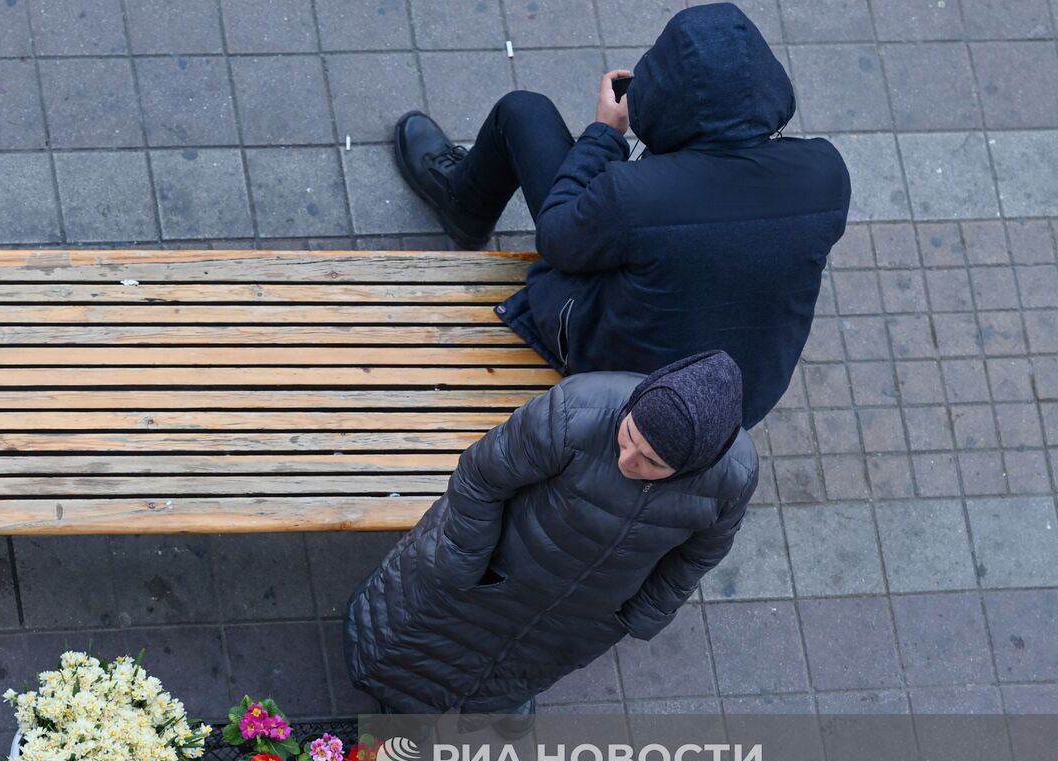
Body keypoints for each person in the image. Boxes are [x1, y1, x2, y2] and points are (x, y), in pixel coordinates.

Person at [393, 2, 850, 428]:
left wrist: (603, 135)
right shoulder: (826, 174)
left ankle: (463, 208)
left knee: (523, 111)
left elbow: (556, 238)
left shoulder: (634, 195)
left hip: (623, 392)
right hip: (740, 399)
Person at [344, 351, 757, 716]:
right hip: (492, 572)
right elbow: (481, 477)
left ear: (691, 467)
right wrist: (464, 558)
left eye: (651, 462)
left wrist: (643, 613)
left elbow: (700, 554)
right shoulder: (576, 410)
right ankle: (400, 703)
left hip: (582, 614)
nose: (627, 459)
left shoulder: (733, 479)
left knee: (523, 668)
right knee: (422, 642)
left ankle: (488, 704)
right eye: (628, 435)